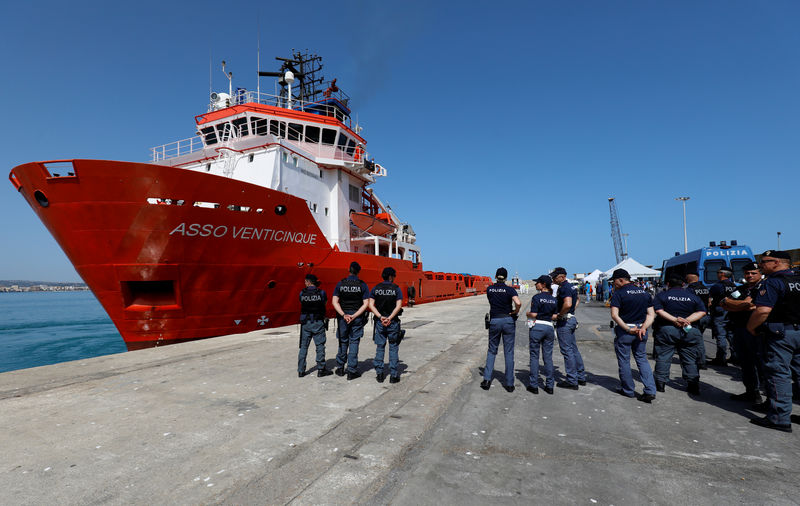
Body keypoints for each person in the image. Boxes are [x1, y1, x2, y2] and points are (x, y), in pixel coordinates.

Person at [747, 250, 800, 432]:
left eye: (764, 262)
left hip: (781, 333)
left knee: (779, 374)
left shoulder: (773, 282)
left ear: (776, 262)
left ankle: (779, 417)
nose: (761, 265)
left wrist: (751, 327)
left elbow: (762, 311)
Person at [652, 275, 707, 395]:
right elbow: (702, 312)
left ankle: (660, 383)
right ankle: (693, 384)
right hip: (689, 330)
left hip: (667, 329)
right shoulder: (693, 296)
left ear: (668, 284)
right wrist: (687, 320)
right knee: (690, 359)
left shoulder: (662, 295)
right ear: (683, 285)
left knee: (664, 357)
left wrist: (675, 320)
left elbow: (659, 311)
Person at [609, 268, 657, 402]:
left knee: (624, 360)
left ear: (621, 280)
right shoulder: (644, 293)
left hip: (626, 330)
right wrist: (644, 327)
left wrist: (627, 329)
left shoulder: (619, 294)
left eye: (614, 282)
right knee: (642, 359)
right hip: (642, 329)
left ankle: (628, 389)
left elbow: (614, 315)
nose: (614, 284)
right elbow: (651, 314)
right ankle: (650, 390)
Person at [721, 262, 764, 404]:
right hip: (739, 328)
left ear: (760, 273)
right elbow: (724, 303)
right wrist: (740, 305)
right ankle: (751, 392)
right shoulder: (741, 289)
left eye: (753, 273)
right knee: (745, 363)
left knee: (761, 364)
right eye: (747, 273)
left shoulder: (764, 287)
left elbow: (754, 305)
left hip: (756, 330)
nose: (750, 275)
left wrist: (735, 304)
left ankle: (770, 399)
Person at [481, 267, 521, 392]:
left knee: (492, 350)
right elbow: (518, 303)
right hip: (508, 320)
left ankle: (487, 380)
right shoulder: (510, 290)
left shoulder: (490, 289)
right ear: (507, 277)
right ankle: (509, 384)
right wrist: (515, 311)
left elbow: (491, 302)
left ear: (496, 276)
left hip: (495, 320)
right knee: (509, 352)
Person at [332, 262, 370, 380]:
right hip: (356, 317)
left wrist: (344, 315)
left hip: (343, 317)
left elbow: (334, 302)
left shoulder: (341, 283)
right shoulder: (362, 285)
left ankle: (340, 367)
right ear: (359, 271)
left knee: (343, 341)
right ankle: (351, 370)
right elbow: (366, 304)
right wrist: (354, 316)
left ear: (348, 270)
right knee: (354, 342)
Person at [551, 267, 586, 389]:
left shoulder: (565, 288)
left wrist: (561, 314)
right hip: (571, 319)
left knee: (567, 351)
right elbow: (577, 300)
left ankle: (572, 380)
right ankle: (581, 376)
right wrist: (571, 312)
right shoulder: (571, 287)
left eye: (555, 277)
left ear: (562, 277)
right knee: (573, 349)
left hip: (565, 321)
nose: (553, 279)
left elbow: (568, 303)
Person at [369, 267, 404, 384]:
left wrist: (380, 317)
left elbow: (371, 304)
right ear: (390, 277)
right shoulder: (396, 289)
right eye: (394, 276)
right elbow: (398, 306)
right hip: (392, 322)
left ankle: (379, 374)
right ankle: (393, 376)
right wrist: (389, 318)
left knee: (380, 347)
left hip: (380, 322)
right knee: (393, 347)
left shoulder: (376, 288)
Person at [526, 275, 558, 394]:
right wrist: (546, 316)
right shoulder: (554, 299)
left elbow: (533, 314)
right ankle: (550, 386)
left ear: (543, 284)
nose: (535, 285)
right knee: (548, 357)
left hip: (537, 326)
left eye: (537, 283)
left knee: (534, 356)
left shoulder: (536, 297)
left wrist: (528, 314)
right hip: (549, 327)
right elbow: (555, 316)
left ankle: (533, 385)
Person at [297, 274, 332, 377]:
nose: (304, 283)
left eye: (305, 282)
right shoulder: (321, 293)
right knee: (320, 345)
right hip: (318, 322)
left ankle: (301, 370)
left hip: (306, 323)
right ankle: (321, 369)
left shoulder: (302, 293)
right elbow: (324, 303)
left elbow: (301, 302)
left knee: (303, 347)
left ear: (308, 282)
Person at [708, 266, 736, 365]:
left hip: (720, 312)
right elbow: (736, 298)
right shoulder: (733, 285)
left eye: (718, 272)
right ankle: (735, 356)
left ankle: (721, 358)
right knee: (731, 335)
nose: (717, 274)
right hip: (731, 312)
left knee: (720, 336)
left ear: (722, 274)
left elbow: (710, 301)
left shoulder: (717, 286)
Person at [685, 272, 711, 369]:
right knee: (698, 337)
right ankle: (699, 359)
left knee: (695, 339)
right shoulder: (704, 288)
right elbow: (709, 302)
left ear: (687, 279)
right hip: (705, 316)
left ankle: (700, 361)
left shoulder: (689, 290)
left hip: (695, 317)